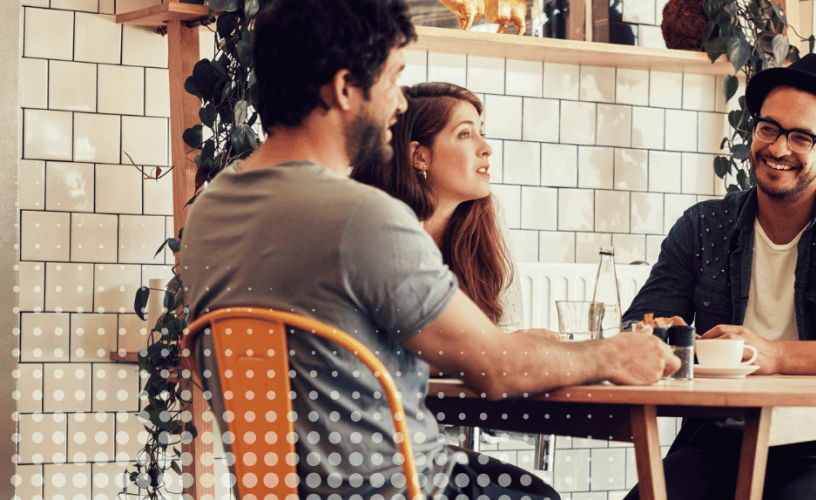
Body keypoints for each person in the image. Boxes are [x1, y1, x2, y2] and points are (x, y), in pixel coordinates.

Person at [179, 1, 679, 499]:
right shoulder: (363, 218)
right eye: (393, 79)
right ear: (345, 88)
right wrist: (611, 352)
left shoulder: (207, 212)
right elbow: (497, 368)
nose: (399, 104)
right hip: (406, 488)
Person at [620, 53, 816, 500]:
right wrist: (664, 333)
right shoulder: (703, 226)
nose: (779, 148)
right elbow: (640, 326)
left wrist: (776, 356)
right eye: (769, 128)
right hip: (717, 439)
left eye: (802, 137)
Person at [352, 82, 521, 332]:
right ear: (420, 156)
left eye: (481, 134)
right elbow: (375, 345)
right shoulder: (372, 220)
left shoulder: (489, 214)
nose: (486, 149)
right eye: (465, 134)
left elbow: (508, 327)